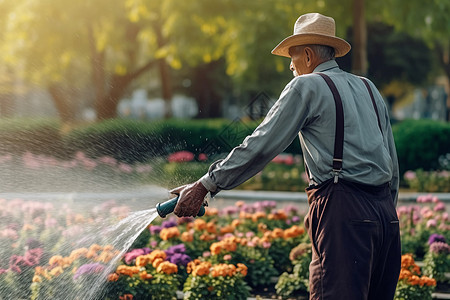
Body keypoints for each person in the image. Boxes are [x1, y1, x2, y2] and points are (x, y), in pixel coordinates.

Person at [170, 13, 401, 300]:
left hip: (344, 212)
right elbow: (391, 165)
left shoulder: (307, 86)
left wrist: (207, 184)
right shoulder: (370, 88)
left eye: (291, 58)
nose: (290, 66)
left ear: (306, 55)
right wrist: (383, 214)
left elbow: (262, 145)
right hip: (387, 218)